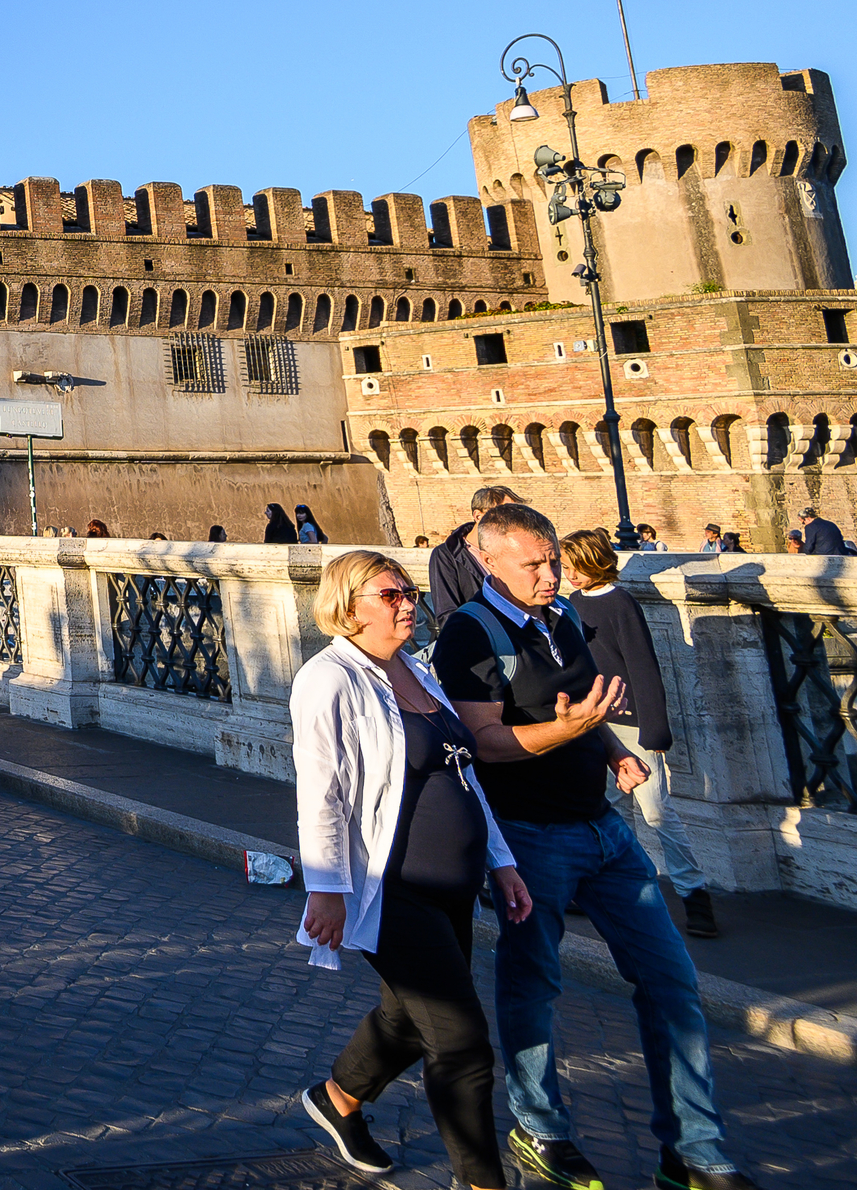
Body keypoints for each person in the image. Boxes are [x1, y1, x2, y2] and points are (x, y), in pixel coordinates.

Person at [439, 500, 755, 1190]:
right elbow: (485, 741)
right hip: (528, 837)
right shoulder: (468, 634)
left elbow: (584, 703)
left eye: (552, 558)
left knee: (672, 980)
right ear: (487, 562)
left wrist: (612, 750)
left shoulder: (560, 619)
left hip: (604, 827)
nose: (551, 574)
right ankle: (539, 1126)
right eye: (534, 564)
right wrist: (570, 730)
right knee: (533, 983)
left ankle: (695, 1152)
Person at [290, 548, 531, 1190]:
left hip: (455, 888)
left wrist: (502, 862)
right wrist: (326, 887)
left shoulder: (416, 669)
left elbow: (465, 774)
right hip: (393, 887)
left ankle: (337, 1099)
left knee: (406, 1015)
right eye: (391, 596)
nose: (408, 606)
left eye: (409, 594)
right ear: (347, 608)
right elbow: (322, 789)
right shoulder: (330, 678)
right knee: (460, 1041)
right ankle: (480, 1181)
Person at [561, 527, 717, 937]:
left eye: (575, 566)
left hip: (631, 724)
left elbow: (644, 667)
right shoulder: (569, 605)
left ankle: (694, 893)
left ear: (594, 563)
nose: (569, 575)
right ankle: (622, 891)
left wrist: (654, 730)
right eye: (566, 567)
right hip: (594, 724)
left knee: (656, 810)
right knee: (610, 812)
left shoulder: (620, 604)